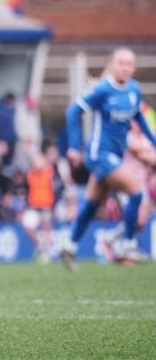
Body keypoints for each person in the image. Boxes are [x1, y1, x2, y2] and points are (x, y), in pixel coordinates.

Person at [60, 47, 156, 271]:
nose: (125, 67)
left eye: (130, 64)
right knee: (136, 191)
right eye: (121, 63)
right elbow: (72, 112)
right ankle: (127, 245)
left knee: (92, 205)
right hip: (98, 155)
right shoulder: (102, 90)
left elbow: (138, 116)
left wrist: (153, 140)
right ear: (112, 65)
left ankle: (69, 243)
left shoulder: (133, 89)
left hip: (115, 155)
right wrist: (74, 147)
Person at [100, 119, 155, 263]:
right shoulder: (128, 136)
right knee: (135, 217)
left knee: (141, 221)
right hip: (127, 182)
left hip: (142, 183)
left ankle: (117, 242)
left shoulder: (144, 138)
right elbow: (143, 155)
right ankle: (121, 247)